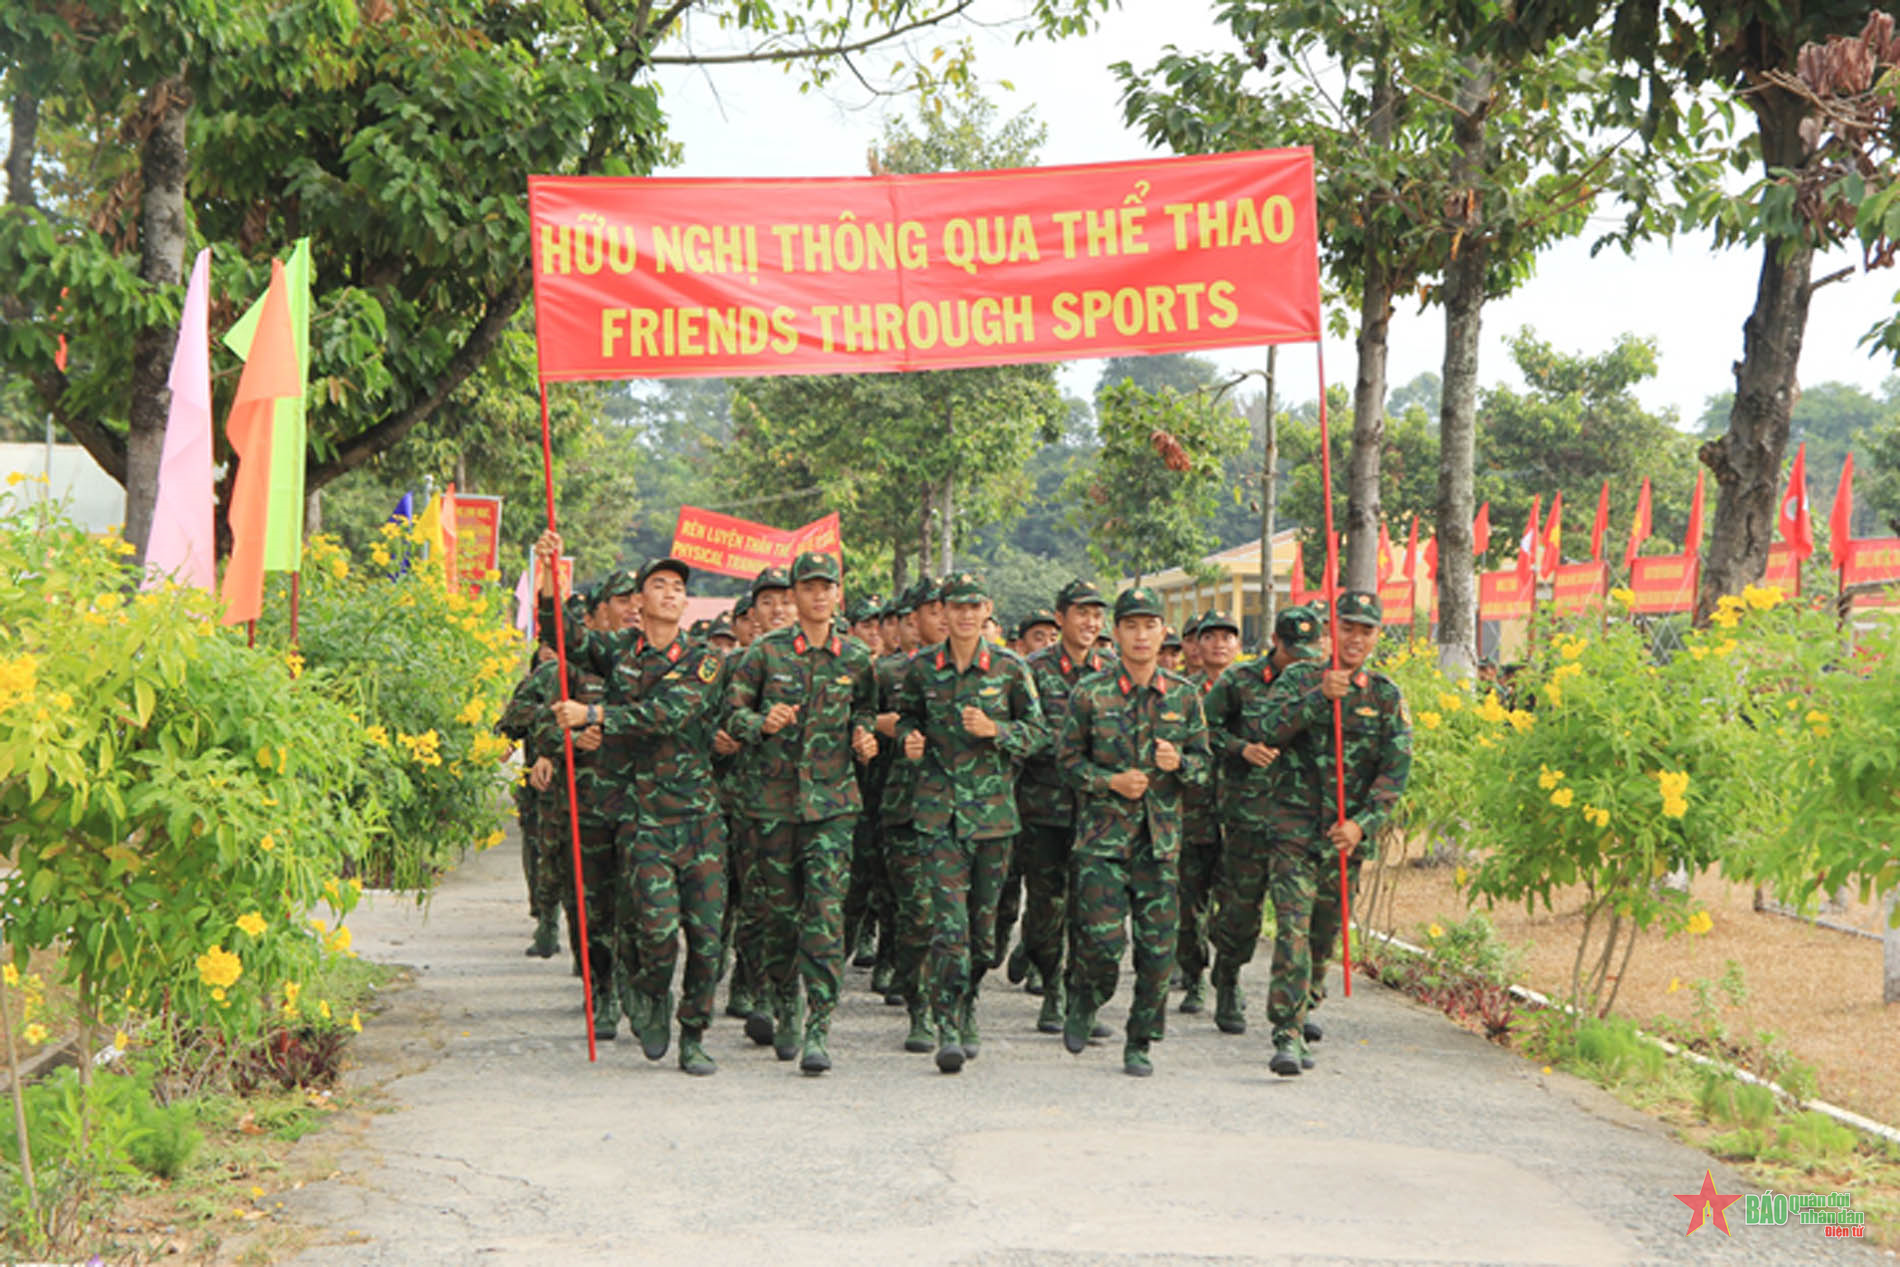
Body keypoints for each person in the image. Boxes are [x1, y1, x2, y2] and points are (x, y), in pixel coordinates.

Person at [551, 555, 730, 1075]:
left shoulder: (704, 660)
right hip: (644, 819)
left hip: (697, 819)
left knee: (707, 941)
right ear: (639, 601)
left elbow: (668, 714)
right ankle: (648, 988)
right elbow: (566, 638)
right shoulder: (619, 651)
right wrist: (547, 582)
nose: (670, 594)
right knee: (656, 931)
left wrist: (594, 713)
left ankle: (693, 1035)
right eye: (659, 585)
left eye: (678, 587)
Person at [724, 552, 879, 1074]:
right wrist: (761, 724)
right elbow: (732, 714)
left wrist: (864, 735)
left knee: (825, 915)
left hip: (833, 806)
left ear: (837, 593)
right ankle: (785, 1000)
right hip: (772, 806)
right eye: (808, 587)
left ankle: (819, 1025)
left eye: (825, 587)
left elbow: (865, 709)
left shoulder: (855, 657)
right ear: (794, 595)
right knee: (779, 916)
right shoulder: (765, 653)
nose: (817, 596)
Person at [1248, 591, 1411, 1076]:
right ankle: (1287, 1032)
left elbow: (1394, 773)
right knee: (1292, 932)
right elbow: (1266, 728)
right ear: (1329, 632)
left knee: (1323, 935)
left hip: (1344, 839)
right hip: (1294, 830)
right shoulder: (1299, 679)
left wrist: (1362, 825)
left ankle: (1307, 1000)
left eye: (1366, 630)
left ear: (1377, 636)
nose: (1356, 638)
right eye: (1347, 627)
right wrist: (1319, 698)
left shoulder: (1385, 696)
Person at [895, 572, 1047, 1073]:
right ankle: (947, 1024)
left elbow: (1038, 733)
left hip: (992, 818)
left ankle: (969, 999)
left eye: (972, 607)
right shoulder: (922, 668)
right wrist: (909, 739)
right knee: (948, 927)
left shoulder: (1009, 668)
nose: (963, 615)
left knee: (983, 935)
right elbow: (906, 717)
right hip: (938, 813)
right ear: (942, 612)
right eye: (954, 607)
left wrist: (996, 729)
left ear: (986, 611)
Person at [1057, 586, 1210, 1076]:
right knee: (1101, 945)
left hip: (1159, 844)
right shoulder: (1090, 693)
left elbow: (1205, 767)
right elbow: (1066, 763)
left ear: (1164, 632)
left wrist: (1180, 763)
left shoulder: (1184, 696)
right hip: (1102, 841)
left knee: (1158, 953)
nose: (1141, 636)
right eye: (1131, 626)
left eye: (1149, 626)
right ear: (1116, 633)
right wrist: (1110, 782)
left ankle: (1140, 1040)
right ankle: (1087, 995)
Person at [527, 561, 637, 1040]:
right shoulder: (573, 667)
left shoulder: (656, 662)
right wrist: (569, 741)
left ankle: (636, 984)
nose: (633, 608)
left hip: (642, 805)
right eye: (622, 600)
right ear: (600, 611)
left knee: (640, 905)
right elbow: (541, 726)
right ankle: (601, 989)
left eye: (638, 599)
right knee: (591, 908)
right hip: (588, 803)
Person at [1202, 604, 1324, 1035]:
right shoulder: (1239, 681)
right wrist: (1241, 749)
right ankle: (1228, 977)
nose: (1299, 663)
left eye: (1308, 654)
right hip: (1248, 814)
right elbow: (1203, 729)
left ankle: (1299, 1007)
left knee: (1298, 918)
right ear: (1275, 643)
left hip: (1302, 818)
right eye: (1292, 653)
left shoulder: (1323, 684)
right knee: (1241, 910)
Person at [1008, 579, 1114, 1033]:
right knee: (1046, 908)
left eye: (1097, 614)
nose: (1090, 622)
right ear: (1060, 617)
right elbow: (1020, 734)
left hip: (1097, 811)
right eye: (1081, 613)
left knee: (1089, 910)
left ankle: (1075, 997)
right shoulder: (1032, 670)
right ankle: (1049, 981)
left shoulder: (1112, 671)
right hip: (1043, 808)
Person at [1175, 608, 1240, 1013]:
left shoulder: (1251, 691)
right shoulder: (1183, 693)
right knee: (1188, 907)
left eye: (1227, 637)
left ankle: (1229, 979)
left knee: (1234, 908)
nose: (1219, 644)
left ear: (1237, 645)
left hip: (1239, 817)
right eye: (1210, 636)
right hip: (1192, 815)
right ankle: (1194, 976)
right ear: (1196, 645)